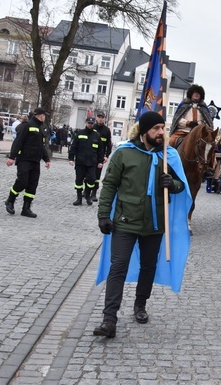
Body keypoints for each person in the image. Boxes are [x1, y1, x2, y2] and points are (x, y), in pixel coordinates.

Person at [93, 111, 191, 338]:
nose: (161, 133)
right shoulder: (124, 153)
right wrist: (103, 215)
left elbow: (181, 185)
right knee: (117, 267)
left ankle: (140, 305)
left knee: (149, 266)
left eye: (162, 128)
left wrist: (172, 183)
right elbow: (109, 185)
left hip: (155, 222)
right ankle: (109, 319)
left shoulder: (168, 156)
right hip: (125, 221)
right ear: (144, 130)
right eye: (156, 128)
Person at [4, 108, 51, 218]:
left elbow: (42, 146)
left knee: (32, 185)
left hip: (35, 160)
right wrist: (12, 157)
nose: (45, 117)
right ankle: (10, 200)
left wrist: (47, 159)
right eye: (44, 115)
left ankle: (26, 208)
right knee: (22, 182)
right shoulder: (27, 125)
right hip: (24, 159)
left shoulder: (42, 128)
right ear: (39, 115)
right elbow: (18, 141)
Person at [69, 117, 105, 206]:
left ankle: (88, 195)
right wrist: (71, 158)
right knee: (79, 181)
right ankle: (79, 198)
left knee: (92, 179)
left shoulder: (97, 135)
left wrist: (101, 161)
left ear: (94, 124)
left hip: (92, 163)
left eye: (92, 123)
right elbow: (73, 147)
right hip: (80, 162)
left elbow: (101, 150)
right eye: (89, 123)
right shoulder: (80, 133)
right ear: (86, 123)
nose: (90, 124)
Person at [169, 84, 213, 149]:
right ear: (191, 93)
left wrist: (200, 126)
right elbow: (177, 120)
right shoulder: (183, 105)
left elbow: (208, 123)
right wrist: (188, 123)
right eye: (195, 92)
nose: (196, 94)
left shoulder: (204, 108)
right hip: (183, 132)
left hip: (199, 134)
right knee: (171, 141)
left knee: (210, 146)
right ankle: (167, 158)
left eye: (198, 93)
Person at [91, 112, 113, 202]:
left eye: (102, 117)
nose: (100, 119)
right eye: (99, 117)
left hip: (100, 156)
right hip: (91, 154)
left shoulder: (107, 130)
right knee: (87, 174)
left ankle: (94, 193)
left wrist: (106, 156)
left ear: (104, 119)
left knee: (97, 175)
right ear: (96, 118)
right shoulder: (92, 127)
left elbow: (109, 145)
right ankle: (86, 190)